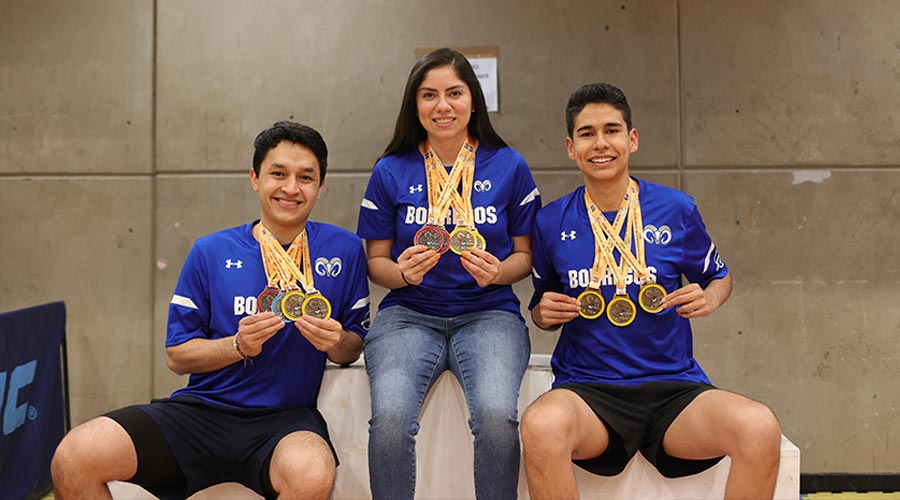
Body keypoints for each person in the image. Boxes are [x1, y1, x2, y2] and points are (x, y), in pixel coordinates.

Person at [51, 121, 370, 500]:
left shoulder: (345, 250)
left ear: (321, 187)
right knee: (73, 457)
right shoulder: (211, 251)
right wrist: (236, 346)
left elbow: (352, 346)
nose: (290, 188)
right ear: (255, 178)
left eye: (306, 177)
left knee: (314, 475)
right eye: (278, 174)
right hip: (200, 413)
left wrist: (336, 342)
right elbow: (176, 355)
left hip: (285, 422)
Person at [521, 83, 782, 500]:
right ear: (571, 147)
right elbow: (542, 303)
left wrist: (710, 298)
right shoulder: (551, 221)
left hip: (673, 389)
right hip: (589, 391)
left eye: (612, 130)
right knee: (540, 424)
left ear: (632, 139)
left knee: (759, 426)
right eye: (587, 133)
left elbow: (719, 275)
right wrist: (542, 313)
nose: (601, 143)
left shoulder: (676, 209)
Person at [357, 47, 541, 500]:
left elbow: (526, 257)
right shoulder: (390, 169)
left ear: (473, 101)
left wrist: (498, 273)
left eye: (454, 93)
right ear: (414, 105)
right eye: (429, 95)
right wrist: (402, 274)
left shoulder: (508, 165)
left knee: (498, 418)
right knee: (391, 421)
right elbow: (376, 262)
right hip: (408, 314)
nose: (443, 106)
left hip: (489, 313)